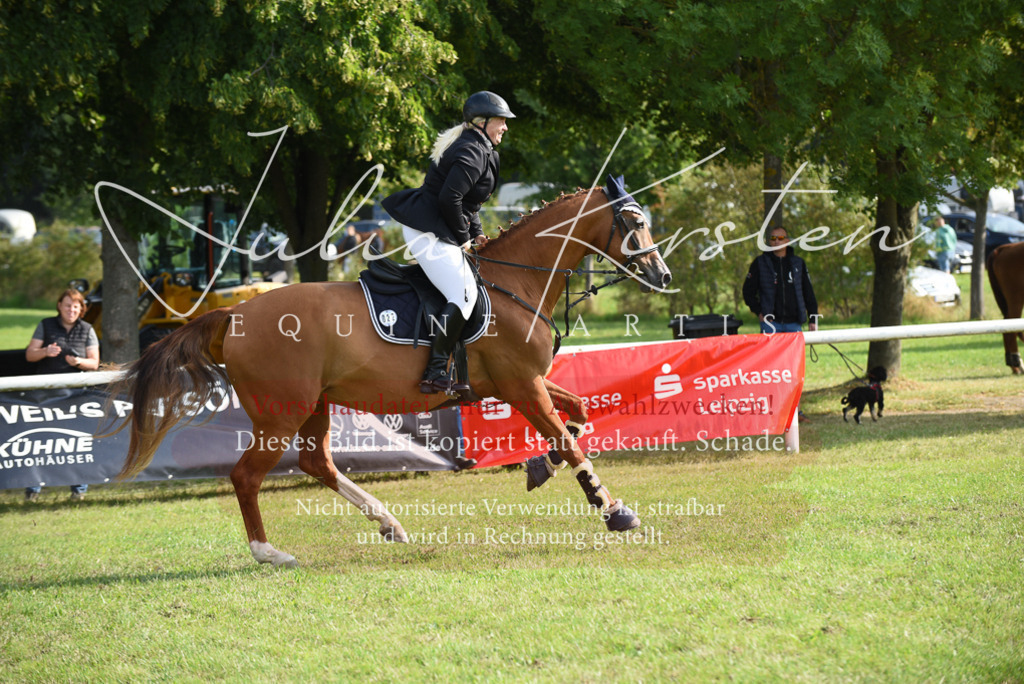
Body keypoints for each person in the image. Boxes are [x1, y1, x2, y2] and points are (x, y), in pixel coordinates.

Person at [381, 90, 514, 394]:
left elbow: (469, 203)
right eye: (501, 121)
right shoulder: (472, 150)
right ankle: (435, 370)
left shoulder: (484, 150)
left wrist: (476, 232)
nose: (505, 127)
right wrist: (464, 238)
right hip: (427, 230)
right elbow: (449, 198)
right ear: (481, 122)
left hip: (440, 227)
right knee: (464, 294)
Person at [23, 287, 99, 501]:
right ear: (59, 306)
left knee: (77, 441)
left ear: (81, 309)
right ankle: (33, 491)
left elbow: (94, 363)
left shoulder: (88, 329)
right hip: (45, 394)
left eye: (75, 307)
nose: (71, 310)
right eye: (67, 306)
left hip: (76, 395)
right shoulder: (45, 324)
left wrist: (79, 362)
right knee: (39, 439)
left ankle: (79, 490)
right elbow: (30, 355)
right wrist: (45, 352)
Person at [743, 226, 819, 421]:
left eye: (780, 237)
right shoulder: (760, 263)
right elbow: (747, 292)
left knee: (794, 370)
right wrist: (759, 312)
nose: (776, 241)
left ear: (787, 240)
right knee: (771, 371)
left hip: (794, 324)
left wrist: (813, 318)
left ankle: (796, 412)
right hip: (771, 324)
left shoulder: (798, 263)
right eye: (773, 238)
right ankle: (774, 413)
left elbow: (808, 292)